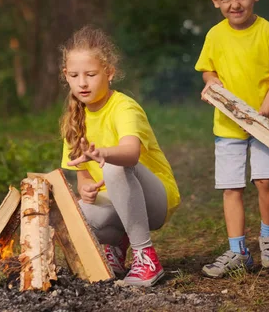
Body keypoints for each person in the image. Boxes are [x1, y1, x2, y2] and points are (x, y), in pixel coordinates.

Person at [195, 0, 269, 278]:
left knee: (265, 180)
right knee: (231, 188)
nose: (234, 4)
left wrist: (262, 114)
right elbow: (208, 71)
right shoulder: (214, 36)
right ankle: (238, 251)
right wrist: (212, 85)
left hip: (265, 124)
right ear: (214, 0)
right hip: (228, 125)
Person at [59, 25, 181, 287]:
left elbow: (131, 153)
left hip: (154, 200)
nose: (82, 82)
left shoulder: (124, 107)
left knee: (114, 166)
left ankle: (146, 257)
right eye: (74, 75)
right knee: (71, 212)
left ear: (109, 72)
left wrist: (102, 153)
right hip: (117, 203)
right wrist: (87, 190)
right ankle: (115, 246)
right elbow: (81, 181)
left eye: (90, 74)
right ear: (65, 76)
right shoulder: (72, 121)